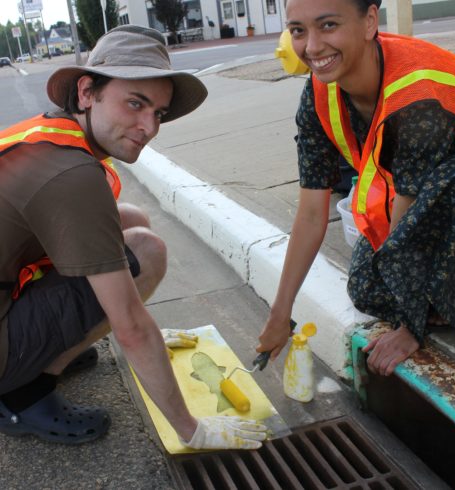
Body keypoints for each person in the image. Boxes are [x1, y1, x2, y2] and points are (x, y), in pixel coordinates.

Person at [0, 25, 267, 449]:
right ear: (87, 92)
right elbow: (131, 326)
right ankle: (23, 391)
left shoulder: (50, 134)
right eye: (135, 103)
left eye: (157, 113)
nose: (149, 127)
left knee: (129, 219)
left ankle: (48, 351)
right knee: (147, 251)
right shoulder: (70, 175)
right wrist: (193, 430)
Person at [257, 0, 455, 376]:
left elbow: (409, 209)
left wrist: (408, 326)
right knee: (366, 285)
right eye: (298, 30)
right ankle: (450, 293)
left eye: (328, 25)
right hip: (436, 203)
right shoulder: (319, 94)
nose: (312, 47)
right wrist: (280, 315)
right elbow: (313, 212)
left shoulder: (418, 89)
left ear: (369, 22)